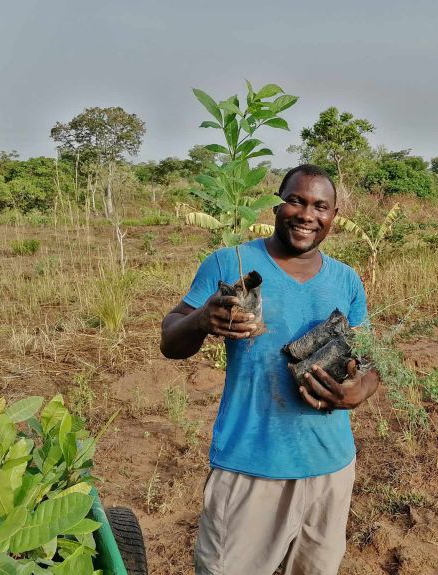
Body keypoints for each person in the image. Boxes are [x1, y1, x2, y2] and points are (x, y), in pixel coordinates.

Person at [159, 164, 380, 575]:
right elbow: (170, 340)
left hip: (330, 468)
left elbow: (370, 358)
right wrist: (201, 320)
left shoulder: (347, 280)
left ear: (334, 215)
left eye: (321, 206)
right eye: (295, 200)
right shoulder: (230, 263)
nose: (307, 215)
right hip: (251, 464)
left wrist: (359, 390)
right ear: (277, 205)